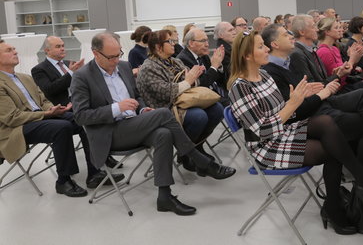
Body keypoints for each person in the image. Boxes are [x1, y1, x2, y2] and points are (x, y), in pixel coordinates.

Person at [228, 31, 363, 235]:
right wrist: (293, 103)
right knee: (332, 146)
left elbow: (280, 111)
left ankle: (347, 196)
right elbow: (263, 130)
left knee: (328, 125)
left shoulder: (263, 75)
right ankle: (343, 200)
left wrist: (301, 96)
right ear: (247, 55)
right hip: (266, 146)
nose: (266, 49)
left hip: (282, 130)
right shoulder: (239, 88)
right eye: (261, 46)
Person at [71, 32, 235, 215]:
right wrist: (116, 108)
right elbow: (81, 116)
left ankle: (164, 197)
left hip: (133, 123)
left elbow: (137, 96)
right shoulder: (82, 76)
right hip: (110, 133)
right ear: (96, 53)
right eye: (111, 57)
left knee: (163, 135)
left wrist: (142, 110)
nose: (116, 60)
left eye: (119, 54)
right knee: (164, 114)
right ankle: (200, 160)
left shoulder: (124, 67)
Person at [0, 39, 123, 197]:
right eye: (9, 50)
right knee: (61, 128)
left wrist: (52, 109)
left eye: (14, 49)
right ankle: (63, 181)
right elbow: (12, 118)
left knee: (82, 118)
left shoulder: (25, 77)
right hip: (15, 128)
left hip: (41, 117)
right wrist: (46, 113)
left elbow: (42, 100)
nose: (15, 52)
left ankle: (94, 172)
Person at [261, 24, 363, 179]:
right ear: (275, 44)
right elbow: (293, 107)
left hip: (319, 101)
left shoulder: (289, 61)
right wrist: (325, 90)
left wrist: (335, 77)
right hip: (309, 113)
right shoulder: (282, 65)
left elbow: (312, 87)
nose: (291, 36)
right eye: (286, 35)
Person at [136, 30, 224, 171]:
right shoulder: (148, 67)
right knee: (198, 117)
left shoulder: (175, 61)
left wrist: (192, 78)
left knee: (217, 109)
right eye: (170, 42)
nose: (174, 44)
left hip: (183, 103)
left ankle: (196, 147)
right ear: (158, 47)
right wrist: (189, 81)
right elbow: (166, 92)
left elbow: (194, 82)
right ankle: (187, 154)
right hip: (164, 110)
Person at [31, 36, 121, 170]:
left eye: (62, 45)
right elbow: (49, 90)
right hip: (62, 108)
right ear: (47, 50)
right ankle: (96, 168)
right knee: (89, 119)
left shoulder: (69, 63)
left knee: (104, 108)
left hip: (80, 102)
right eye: (58, 46)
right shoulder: (39, 69)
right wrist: (71, 74)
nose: (62, 48)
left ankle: (105, 155)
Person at [289, 14, 351, 84]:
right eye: (313, 27)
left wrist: (337, 74)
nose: (317, 29)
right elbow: (312, 86)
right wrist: (338, 75)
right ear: (302, 32)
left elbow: (322, 79)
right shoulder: (297, 54)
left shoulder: (310, 50)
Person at [177, 28, 229, 106]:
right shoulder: (183, 59)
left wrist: (219, 65)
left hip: (215, 93)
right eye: (203, 41)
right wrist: (214, 66)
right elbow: (202, 84)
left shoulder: (203, 56)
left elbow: (218, 80)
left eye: (207, 40)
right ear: (191, 43)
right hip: (203, 98)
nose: (207, 44)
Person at [316, 18, 363, 91]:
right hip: (338, 90)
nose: (341, 30)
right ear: (327, 32)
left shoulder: (334, 49)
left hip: (346, 85)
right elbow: (337, 78)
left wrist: (355, 60)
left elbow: (347, 74)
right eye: (336, 28)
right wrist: (352, 60)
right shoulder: (324, 52)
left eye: (340, 27)